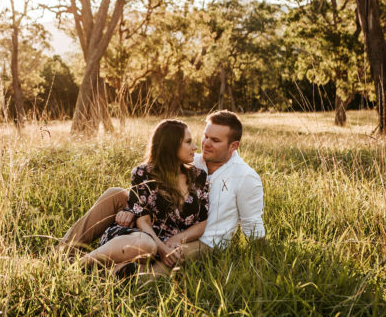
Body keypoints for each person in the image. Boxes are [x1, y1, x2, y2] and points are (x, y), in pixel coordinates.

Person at [60, 110, 265, 275]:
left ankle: (114, 275)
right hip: (162, 224)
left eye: (215, 140)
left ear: (233, 146)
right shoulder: (195, 160)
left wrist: (260, 262)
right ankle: (62, 252)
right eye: (205, 136)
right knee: (115, 193)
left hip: (203, 241)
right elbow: (151, 185)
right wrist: (134, 208)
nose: (204, 144)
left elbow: (253, 224)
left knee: (166, 262)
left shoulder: (246, 177)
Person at [77, 119, 210, 276]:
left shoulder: (199, 176)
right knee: (147, 246)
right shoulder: (142, 173)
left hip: (171, 244)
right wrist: (161, 248)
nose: (195, 147)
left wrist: (175, 241)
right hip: (138, 237)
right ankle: (79, 265)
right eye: (188, 142)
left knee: (179, 257)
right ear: (171, 146)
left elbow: (202, 222)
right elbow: (142, 220)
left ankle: (110, 273)